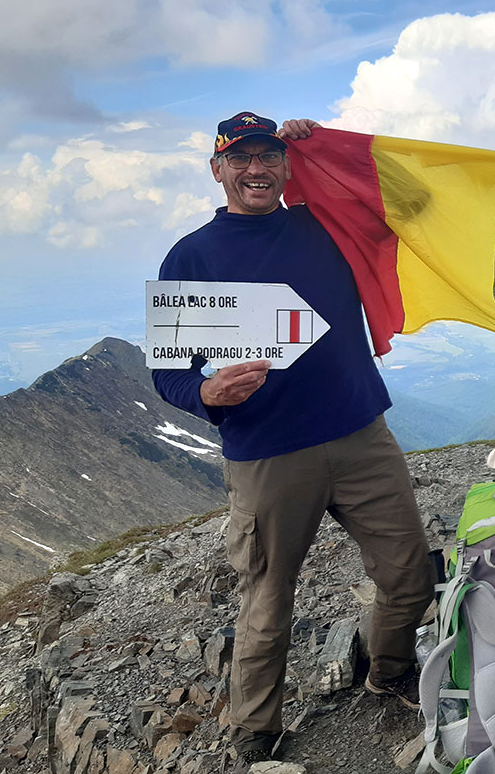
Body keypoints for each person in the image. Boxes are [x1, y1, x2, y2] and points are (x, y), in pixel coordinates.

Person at [152, 113, 432, 764]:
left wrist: (327, 144)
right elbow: (169, 372)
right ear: (217, 168)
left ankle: (389, 671)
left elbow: (413, 201)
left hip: (361, 431)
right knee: (268, 601)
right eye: (241, 158)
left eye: (269, 157)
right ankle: (256, 731)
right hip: (268, 454)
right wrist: (204, 393)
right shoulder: (191, 256)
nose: (256, 169)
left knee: (410, 575)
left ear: (285, 166)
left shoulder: (325, 222)